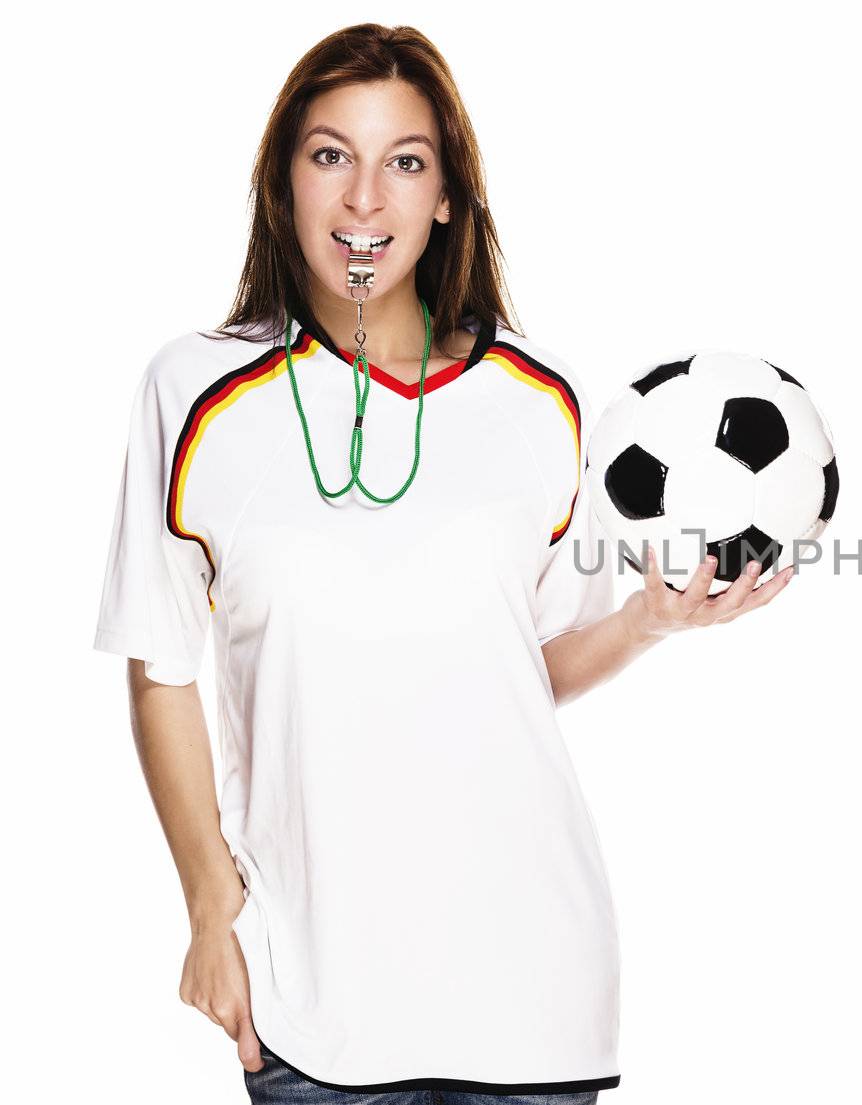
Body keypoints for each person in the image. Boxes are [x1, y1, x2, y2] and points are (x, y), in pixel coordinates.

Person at [90, 23, 795, 1105]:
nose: (365, 199)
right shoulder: (192, 392)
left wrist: (650, 620)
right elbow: (158, 666)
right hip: (313, 1003)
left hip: (533, 998)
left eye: (404, 162)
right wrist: (205, 905)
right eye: (330, 155)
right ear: (282, 182)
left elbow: (532, 666)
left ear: (449, 194)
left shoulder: (541, 400)